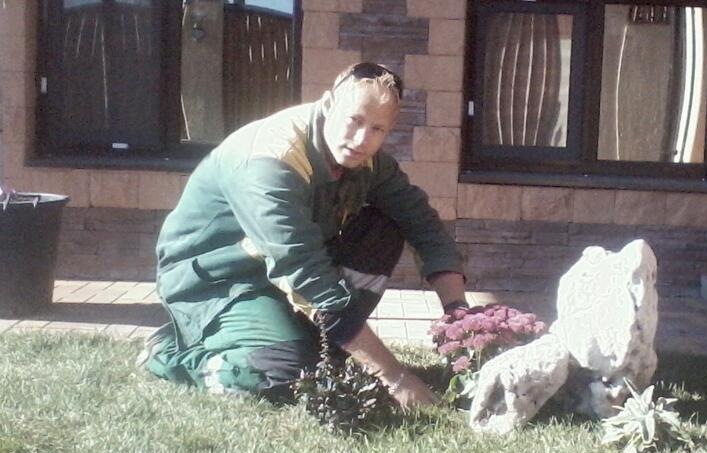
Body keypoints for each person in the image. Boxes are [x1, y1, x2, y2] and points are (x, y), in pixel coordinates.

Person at [139, 62, 467, 407]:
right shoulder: (269, 164)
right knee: (288, 372)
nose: (361, 139)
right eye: (354, 120)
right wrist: (394, 377)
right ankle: (170, 353)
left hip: (280, 272)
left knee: (384, 227)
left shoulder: (366, 160)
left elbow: (422, 223)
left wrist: (460, 319)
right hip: (219, 279)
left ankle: (324, 344)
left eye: (377, 129)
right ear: (328, 105)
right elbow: (307, 275)